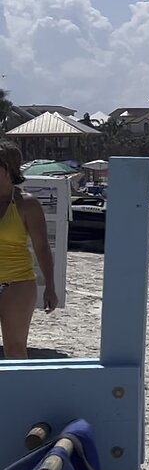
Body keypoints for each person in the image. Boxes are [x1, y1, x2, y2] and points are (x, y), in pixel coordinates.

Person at [0, 140, 59, 359]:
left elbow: (42, 247)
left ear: (9, 168)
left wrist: (50, 287)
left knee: (14, 349)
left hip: (17, 282)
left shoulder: (27, 205)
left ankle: (19, 393)